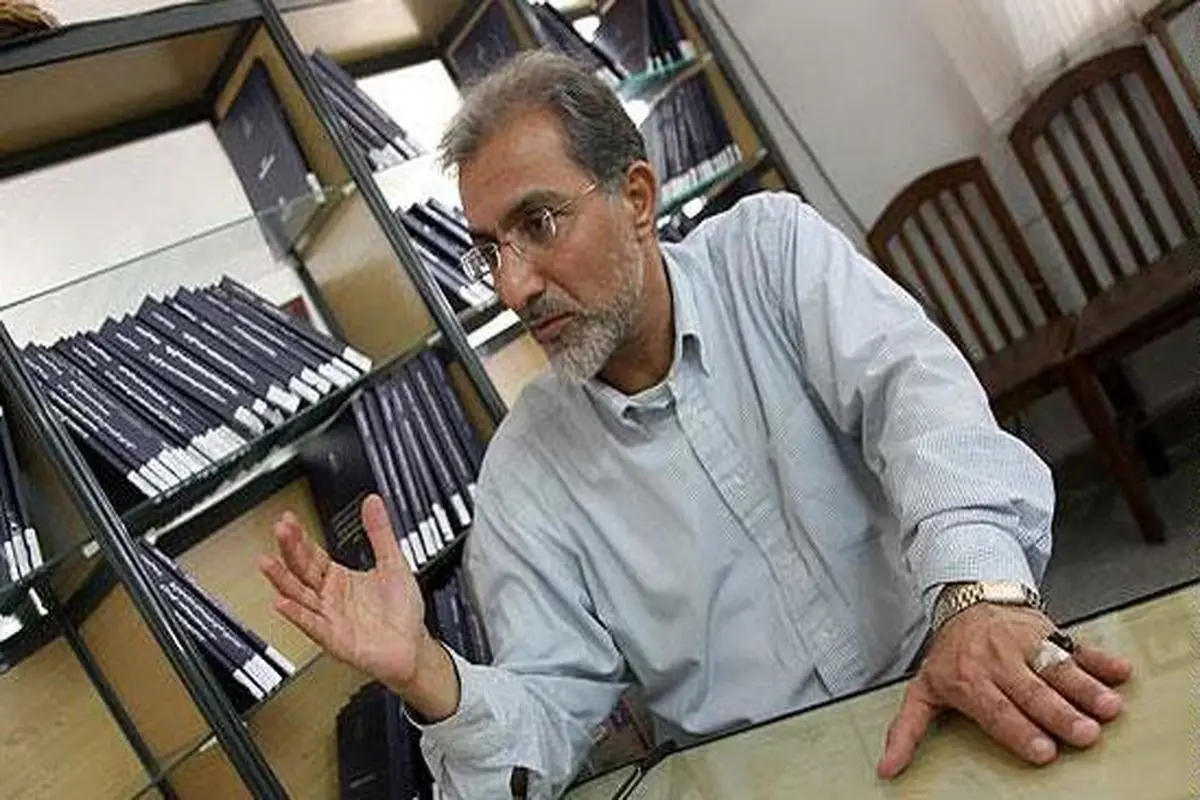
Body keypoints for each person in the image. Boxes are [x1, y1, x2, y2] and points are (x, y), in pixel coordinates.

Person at [260, 50, 1132, 798]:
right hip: (767, 778)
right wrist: (428, 673)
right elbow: (548, 721)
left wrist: (977, 601)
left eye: (539, 223)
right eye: (490, 250)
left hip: (955, 667)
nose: (514, 286)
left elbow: (922, 411)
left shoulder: (771, 255)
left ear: (637, 198)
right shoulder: (524, 473)